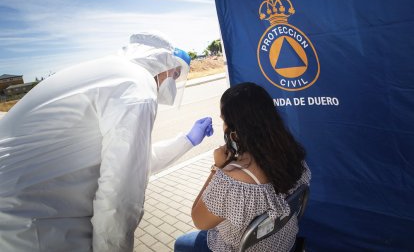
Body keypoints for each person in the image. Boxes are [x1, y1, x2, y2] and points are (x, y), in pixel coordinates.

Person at [0, 32, 214, 252]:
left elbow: (137, 163)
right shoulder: (137, 87)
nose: (174, 81)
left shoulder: (110, 74)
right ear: (161, 63)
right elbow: (120, 195)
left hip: (18, 208)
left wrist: (187, 140)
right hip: (33, 221)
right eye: (175, 74)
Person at [175, 82, 311, 252]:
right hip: (283, 243)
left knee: (181, 243)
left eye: (223, 121)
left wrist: (217, 168)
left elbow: (199, 220)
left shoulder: (233, 181)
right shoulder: (294, 157)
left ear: (235, 131)